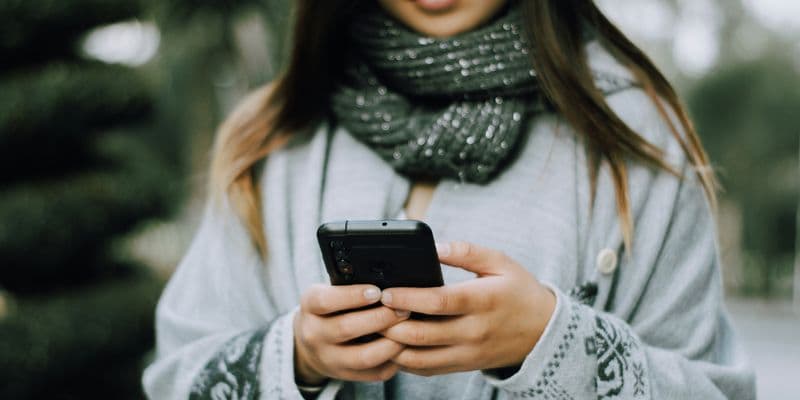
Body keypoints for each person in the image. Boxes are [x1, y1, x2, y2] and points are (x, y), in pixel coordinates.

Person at [142, 0, 756, 399]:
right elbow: (174, 377)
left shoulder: (634, 136)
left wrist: (554, 343)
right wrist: (299, 357)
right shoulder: (274, 134)